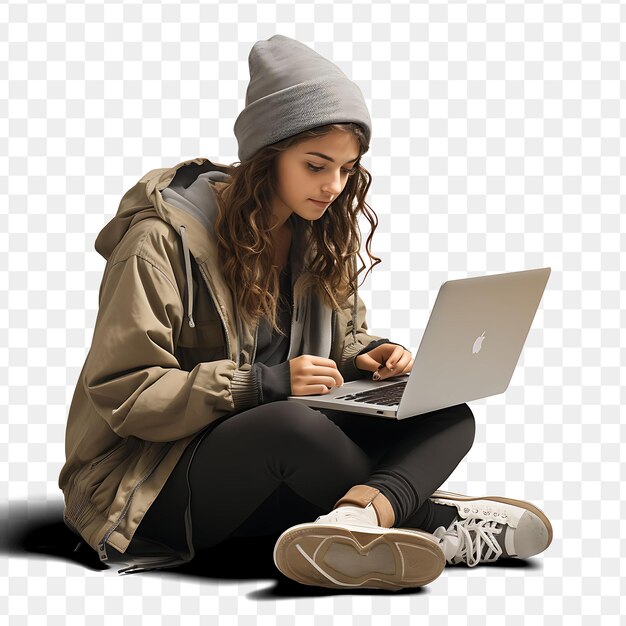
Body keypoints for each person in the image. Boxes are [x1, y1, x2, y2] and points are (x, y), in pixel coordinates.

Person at [58, 34, 552, 591]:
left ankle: (355, 520)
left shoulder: (314, 237)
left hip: (266, 462)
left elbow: (343, 340)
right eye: (317, 165)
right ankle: (431, 520)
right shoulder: (157, 242)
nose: (334, 187)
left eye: (347, 169)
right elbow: (127, 394)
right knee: (293, 429)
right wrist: (261, 384)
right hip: (147, 482)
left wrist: (372, 357)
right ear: (267, 153)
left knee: (445, 412)